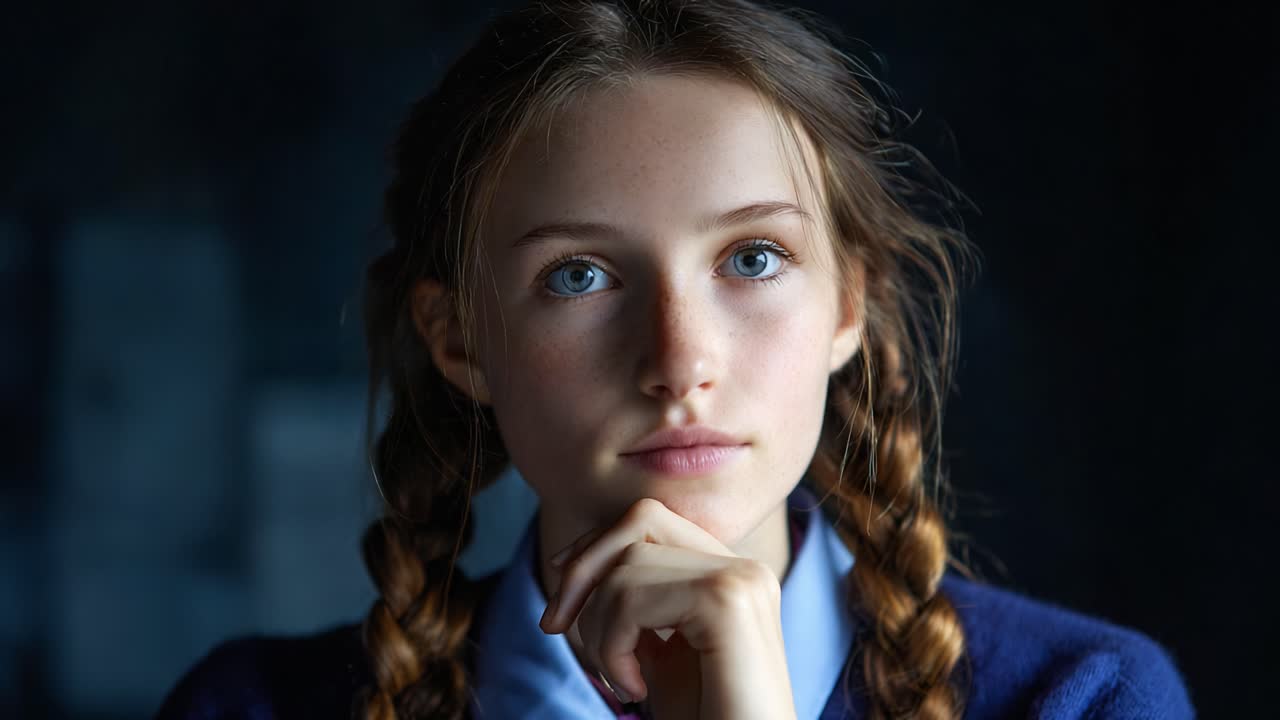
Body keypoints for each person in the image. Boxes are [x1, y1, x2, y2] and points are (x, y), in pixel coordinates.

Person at [155, 0, 1196, 718]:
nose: (678, 361)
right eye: (577, 276)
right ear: (460, 339)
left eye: (752, 257)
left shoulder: (1081, 697)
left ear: (848, 303)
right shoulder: (247, 707)